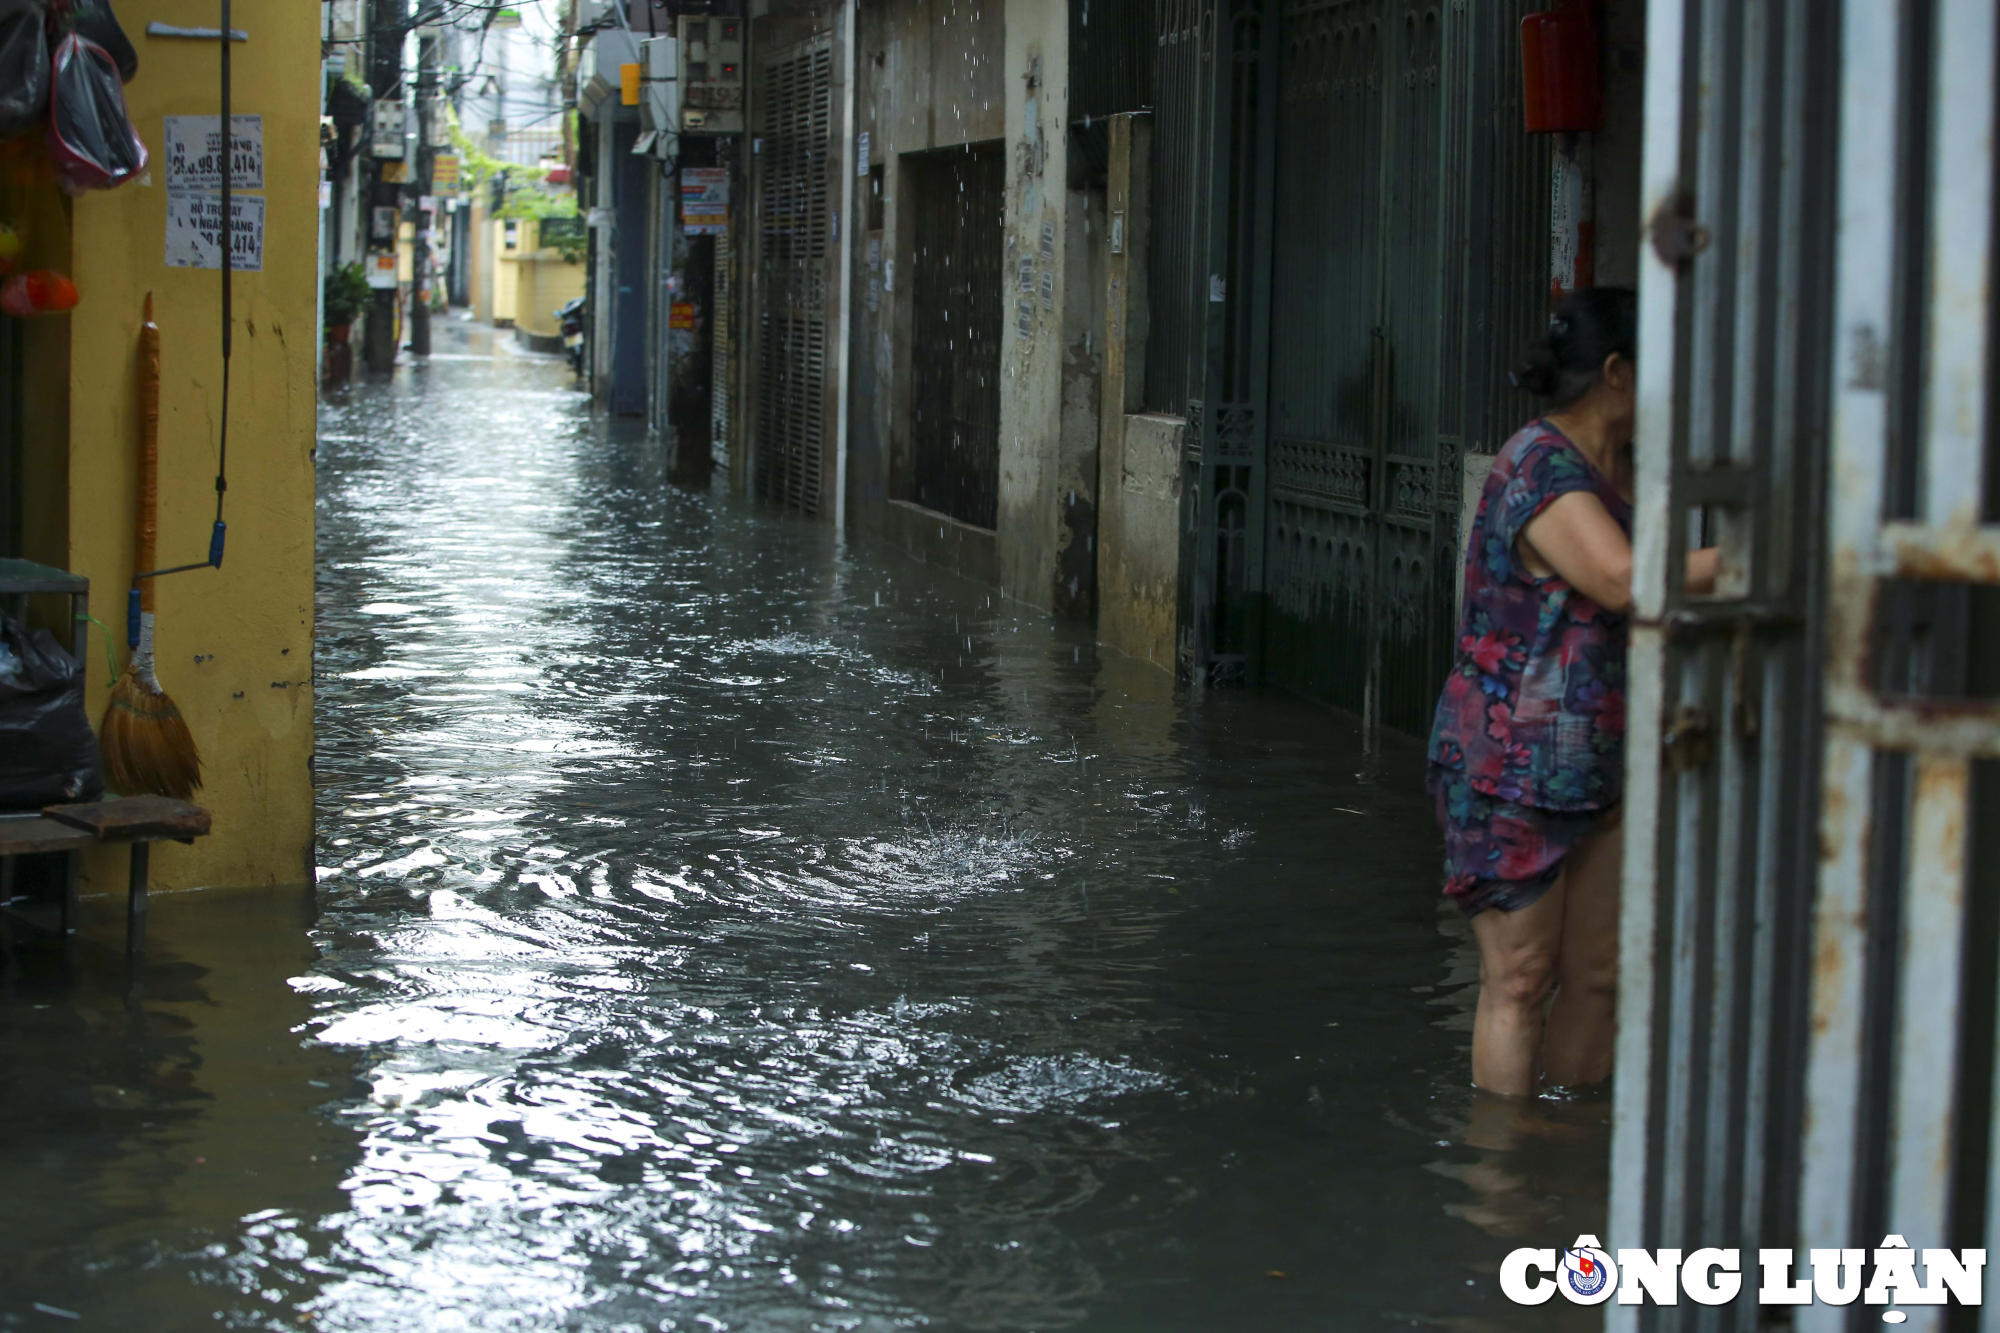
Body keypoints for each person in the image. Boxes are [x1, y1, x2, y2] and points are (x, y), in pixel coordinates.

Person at [1427, 287, 1717, 1097]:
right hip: (1510, 766)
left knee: (1599, 975)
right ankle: (1505, 1190)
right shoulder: (1538, 463)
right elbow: (1624, 580)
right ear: (1618, 373)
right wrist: (1758, 564)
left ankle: (1567, 1169)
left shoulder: (1625, 469)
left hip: (1603, 756)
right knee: (1521, 979)